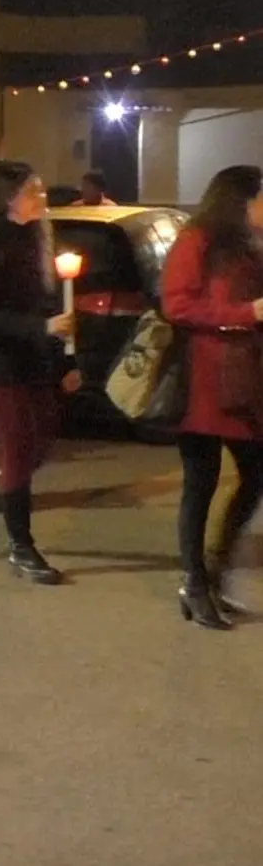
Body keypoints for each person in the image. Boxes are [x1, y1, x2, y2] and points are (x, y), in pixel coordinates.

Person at [0, 161, 76, 585]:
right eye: (33, 191)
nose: (42, 198)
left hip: (33, 362)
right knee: (20, 447)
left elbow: (47, 306)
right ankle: (21, 548)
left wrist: (65, 360)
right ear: (9, 198)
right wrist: (41, 328)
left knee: (41, 442)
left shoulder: (38, 239)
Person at [162, 164, 263, 629]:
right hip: (203, 382)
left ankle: (216, 571)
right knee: (199, 486)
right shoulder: (196, 240)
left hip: (246, 383)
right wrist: (245, 312)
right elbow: (177, 304)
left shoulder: (249, 245)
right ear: (238, 201)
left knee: (255, 477)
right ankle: (195, 584)